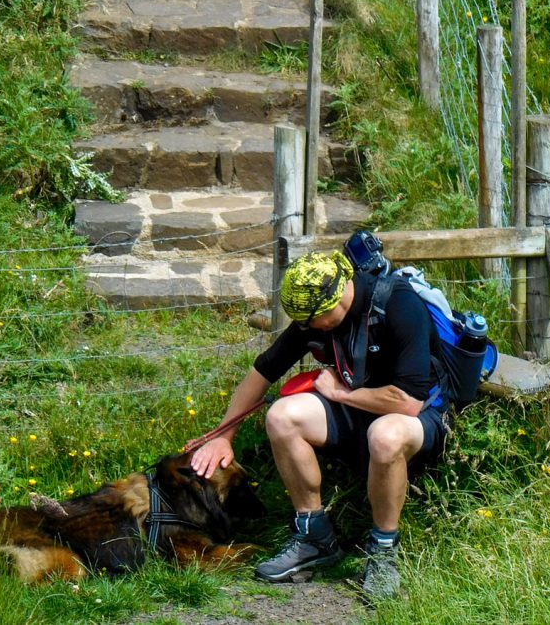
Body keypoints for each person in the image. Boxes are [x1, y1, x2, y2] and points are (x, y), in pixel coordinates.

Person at [190, 250, 449, 600]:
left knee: (385, 436)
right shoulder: (313, 315)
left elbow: (408, 401)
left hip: (417, 415)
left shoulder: (399, 305)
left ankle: (384, 551)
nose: (308, 329)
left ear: (338, 297)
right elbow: (263, 371)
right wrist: (224, 436)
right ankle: (314, 535)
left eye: (313, 321)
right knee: (282, 417)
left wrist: (339, 396)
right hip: (358, 405)